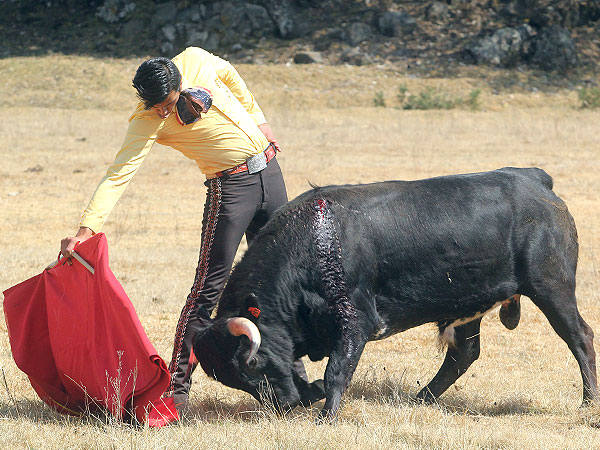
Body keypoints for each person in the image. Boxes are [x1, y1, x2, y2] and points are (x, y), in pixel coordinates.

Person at [60, 46, 305, 412]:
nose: (161, 111)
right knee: (208, 288)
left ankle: (292, 378)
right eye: (153, 104)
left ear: (179, 79)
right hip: (230, 189)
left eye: (166, 102)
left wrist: (259, 119)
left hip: (270, 172)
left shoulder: (195, 58)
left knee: (279, 282)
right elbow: (119, 173)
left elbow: (228, 72)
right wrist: (87, 227)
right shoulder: (146, 120)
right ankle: (175, 391)